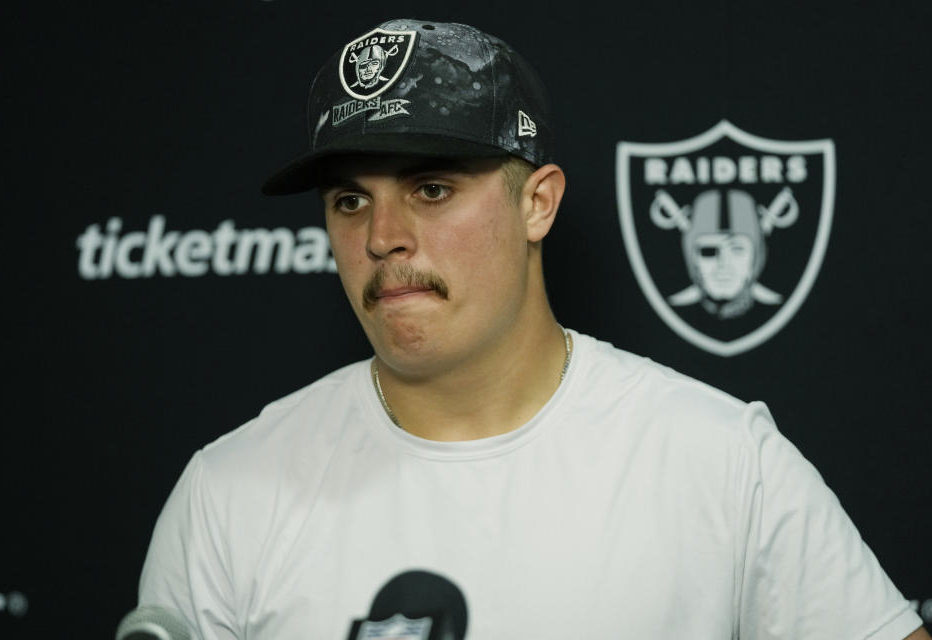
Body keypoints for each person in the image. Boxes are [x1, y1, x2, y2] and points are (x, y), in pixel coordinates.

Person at [137, 18, 928, 640]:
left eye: (433, 189)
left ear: (537, 203)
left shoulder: (718, 461)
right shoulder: (228, 495)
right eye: (349, 201)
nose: (382, 236)